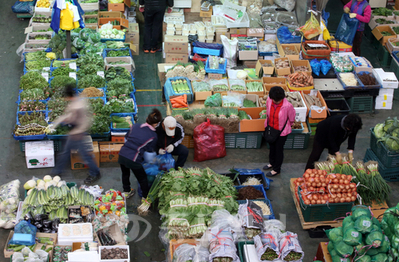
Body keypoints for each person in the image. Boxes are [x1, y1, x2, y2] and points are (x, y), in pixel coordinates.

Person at [48, 84, 101, 185]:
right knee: (66, 153)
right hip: (75, 133)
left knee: (84, 155)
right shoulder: (77, 102)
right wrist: (57, 122)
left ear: (68, 96)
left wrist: (73, 127)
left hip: (77, 134)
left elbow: (81, 120)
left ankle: (95, 172)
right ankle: (57, 172)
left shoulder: (77, 106)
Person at [118, 109, 162, 198]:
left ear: (146, 119)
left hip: (122, 154)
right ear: (155, 124)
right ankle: (145, 197)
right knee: (142, 179)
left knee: (125, 174)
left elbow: (126, 139)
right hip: (133, 159)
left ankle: (127, 192)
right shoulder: (153, 135)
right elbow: (149, 156)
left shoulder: (135, 126)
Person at [263, 86, 296, 177]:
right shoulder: (269, 101)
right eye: (273, 99)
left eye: (277, 100)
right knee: (272, 147)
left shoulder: (287, 106)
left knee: (278, 150)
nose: (275, 102)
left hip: (282, 132)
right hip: (271, 128)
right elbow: (267, 112)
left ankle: (276, 169)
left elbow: (292, 118)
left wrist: (288, 125)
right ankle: (271, 163)